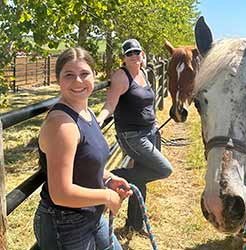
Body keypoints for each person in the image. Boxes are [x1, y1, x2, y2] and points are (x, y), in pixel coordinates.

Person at [33, 47, 132, 250]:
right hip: (65, 223)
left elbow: (83, 161)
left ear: (94, 76)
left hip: (89, 216)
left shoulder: (86, 113)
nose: (78, 81)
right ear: (58, 79)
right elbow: (60, 193)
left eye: (84, 74)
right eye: (69, 75)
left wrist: (107, 178)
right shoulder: (63, 125)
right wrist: (106, 196)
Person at [97, 39, 173, 237]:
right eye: (129, 53)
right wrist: (98, 120)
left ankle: (134, 224)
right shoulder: (121, 77)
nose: (134, 56)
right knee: (164, 169)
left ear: (142, 54)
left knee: (141, 178)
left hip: (150, 132)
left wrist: (154, 123)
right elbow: (110, 105)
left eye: (136, 52)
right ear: (123, 57)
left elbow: (147, 103)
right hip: (132, 136)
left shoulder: (144, 74)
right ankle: (110, 176)